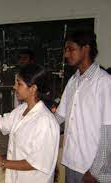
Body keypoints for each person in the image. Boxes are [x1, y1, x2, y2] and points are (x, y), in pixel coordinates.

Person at [0, 64, 60, 183]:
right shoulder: (21, 110)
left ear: (33, 88)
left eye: (19, 83)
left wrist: (2, 162)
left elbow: (37, 163)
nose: (14, 87)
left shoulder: (45, 121)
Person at [55, 31, 111, 182]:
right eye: (66, 50)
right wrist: (35, 125)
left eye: (71, 49)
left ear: (85, 49)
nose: (66, 54)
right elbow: (59, 117)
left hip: (90, 169)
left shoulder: (104, 82)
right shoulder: (73, 81)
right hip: (71, 162)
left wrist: (95, 171)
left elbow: (108, 131)